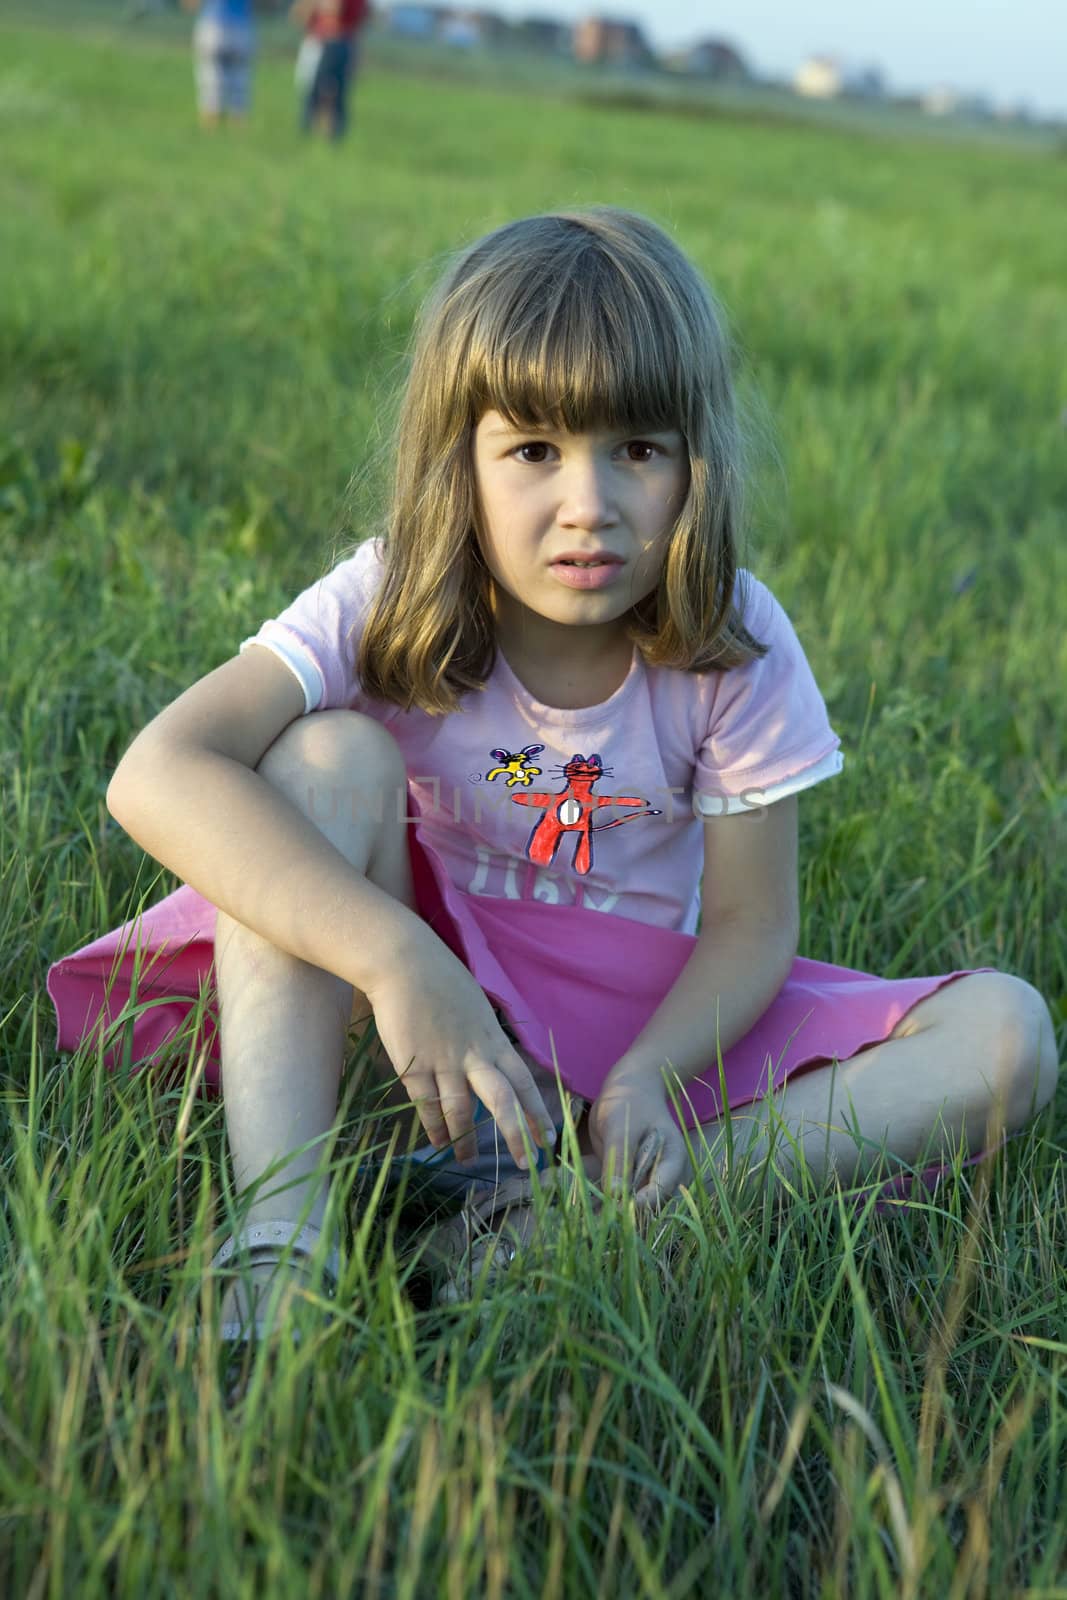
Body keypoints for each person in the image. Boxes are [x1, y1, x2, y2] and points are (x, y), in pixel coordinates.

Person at [48, 210, 1058, 1336]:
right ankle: (287, 1238)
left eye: (636, 448)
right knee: (324, 754)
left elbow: (748, 922)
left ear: (692, 463)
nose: (589, 504)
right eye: (532, 450)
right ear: (458, 460)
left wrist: (651, 1079)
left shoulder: (731, 638)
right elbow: (157, 770)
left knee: (1006, 1031)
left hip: (631, 1053)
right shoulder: (388, 595)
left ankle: (561, 1233)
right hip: (408, 1054)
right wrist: (397, 962)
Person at [292, 0, 369, 141]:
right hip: (344, 42)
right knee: (334, 93)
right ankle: (329, 134)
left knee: (319, 91)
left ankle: (315, 132)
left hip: (328, 40)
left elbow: (330, 9)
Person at [182, 0, 255, 128]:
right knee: (239, 83)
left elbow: (190, 4)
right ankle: (237, 129)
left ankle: (210, 129)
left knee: (210, 82)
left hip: (212, 25)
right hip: (241, 26)